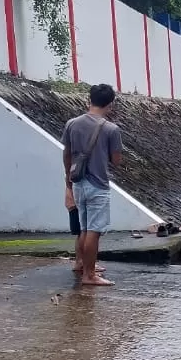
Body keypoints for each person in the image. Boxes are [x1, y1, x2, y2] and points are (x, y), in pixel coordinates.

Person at [62, 84, 124, 287]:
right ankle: (89, 275)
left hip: (78, 182)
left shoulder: (72, 124)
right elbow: (116, 160)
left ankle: (82, 265)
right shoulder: (111, 129)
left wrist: (68, 178)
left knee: (84, 228)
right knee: (94, 231)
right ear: (110, 104)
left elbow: (67, 154)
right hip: (98, 184)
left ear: (89, 100)